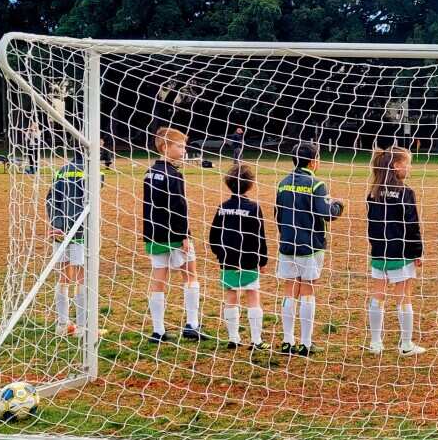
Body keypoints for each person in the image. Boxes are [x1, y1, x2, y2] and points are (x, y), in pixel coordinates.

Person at [275, 142, 344, 357]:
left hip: (287, 244)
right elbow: (327, 214)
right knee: (307, 290)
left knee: (289, 289)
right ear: (314, 161)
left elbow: (277, 213)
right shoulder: (317, 184)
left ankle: (287, 341)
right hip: (310, 246)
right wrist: (338, 205)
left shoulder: (283, 183)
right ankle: (305, 343)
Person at [143, 127, 204, 342]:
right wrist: (185, 235)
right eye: (179, 145)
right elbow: (179, 207)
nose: (184, 149)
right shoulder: (173, 174)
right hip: (175, 235)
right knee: (190, 275)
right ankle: (192, 324)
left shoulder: (149, 172)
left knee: (159, 279)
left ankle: (158, 330)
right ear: (165, 146)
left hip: (153, 234)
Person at [366, 147, 427, 357]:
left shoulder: (373, 193)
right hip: (401, 252)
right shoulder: (405, 192)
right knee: (404, 296)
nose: (409, 167)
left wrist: (375, 246)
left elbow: (371, 225)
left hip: (379, 251)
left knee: (378, 294)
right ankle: (406, 344)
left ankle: (375, 343)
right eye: (407, 163)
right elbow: (412, 225)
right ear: (395, 166)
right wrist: (418, 251)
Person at [209, 163, 269, 350]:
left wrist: (220, 253)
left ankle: (233, 338)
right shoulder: (253, 207)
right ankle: (256, 340)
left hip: (228, 260)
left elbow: (213, 235)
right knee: (253, 295)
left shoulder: (222, 207)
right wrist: (263, 259)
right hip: (249, 260)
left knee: (230, 296)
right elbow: (260, 236)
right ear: (250, 184)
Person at [46, 154, 87, 336]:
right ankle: (82, 326)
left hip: (60, 231)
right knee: (81, 277)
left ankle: (62, 324)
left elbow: (50, 199)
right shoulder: (91, 171)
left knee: (64, 276)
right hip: (81, 231)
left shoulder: (61, 170)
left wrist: (57, 224)